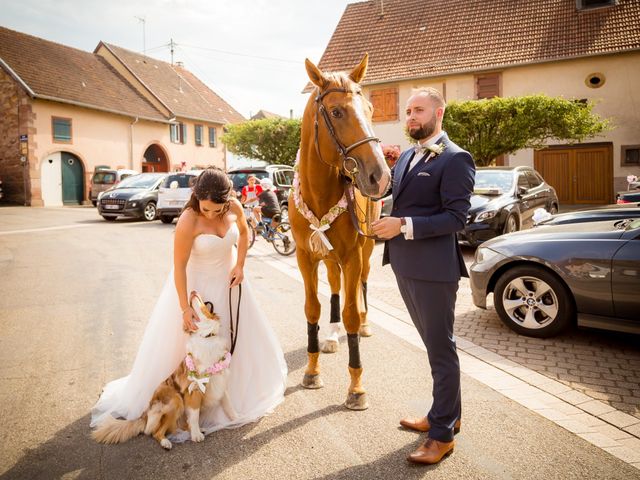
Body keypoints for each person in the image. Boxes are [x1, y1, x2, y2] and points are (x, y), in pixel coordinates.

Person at [91, 167, 287, 438]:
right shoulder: (188, 220)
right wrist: (184, 307)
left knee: (234, 345)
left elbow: (243, 234)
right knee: (190, 355)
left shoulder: (235, 207)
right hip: (197, 290)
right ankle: (183, 403)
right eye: (206, 209)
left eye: (217, 210)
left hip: (229, 285)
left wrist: (240, 265)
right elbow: (179, 267)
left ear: (227, 199)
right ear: (197, 198)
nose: (211, 214)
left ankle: (231, 399)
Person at [371, 88, 475, 465]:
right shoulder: (405, 157)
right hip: (404, 264)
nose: (411, 117)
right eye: (408, 111)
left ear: (439, 113)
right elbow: (397, 198)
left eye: (418, 110)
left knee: (441, 351)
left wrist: (402, 225)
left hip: (434, 270)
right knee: (435, 348)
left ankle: (442, 435)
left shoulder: (456, 158)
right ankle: (446, 415)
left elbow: (456, 218)